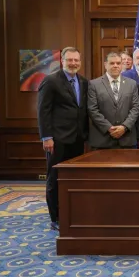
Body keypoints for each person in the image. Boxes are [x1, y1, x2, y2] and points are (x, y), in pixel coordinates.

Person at [37, 47, 88, 231]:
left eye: (76, 60)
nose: (73, 63)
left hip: (77, 139)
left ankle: (71, 212)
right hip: (56, 140)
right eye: (70, 60)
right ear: (62, 61)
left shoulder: (83, 81)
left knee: (73, 178)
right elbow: (43, 111)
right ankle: (56, 217)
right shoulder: (50, 81)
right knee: (55, 178)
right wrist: (47, 137)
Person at [87, 52, 139, 149]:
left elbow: (135, 108)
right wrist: (109, 128)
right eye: (112, 63)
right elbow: (93, 110)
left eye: (118, 63)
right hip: (103, 140)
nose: (115, 66)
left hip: (126, 139)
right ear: (105, 65)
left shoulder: (132, 84)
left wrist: (124, 127)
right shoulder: (94, 84)